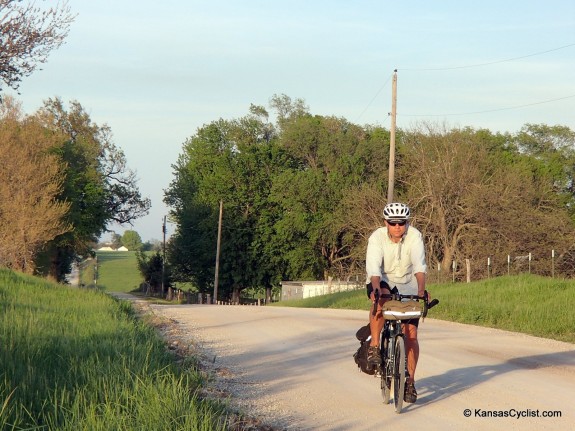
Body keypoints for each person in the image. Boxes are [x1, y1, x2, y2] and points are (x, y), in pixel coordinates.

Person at [365, 202, 427, 403]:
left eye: (402, 222)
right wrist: (375, 289)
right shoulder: (377, 237)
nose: (398, 227)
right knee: (380, 300)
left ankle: (410, 382)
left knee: (411, 334)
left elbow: (419, 265)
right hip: (382, 279)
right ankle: (375, 346)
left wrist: (420, 291)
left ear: (407, 222)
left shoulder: (414, 236)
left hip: (408, 282)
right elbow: (374, 268)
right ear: (386, 223)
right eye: (393, 223)